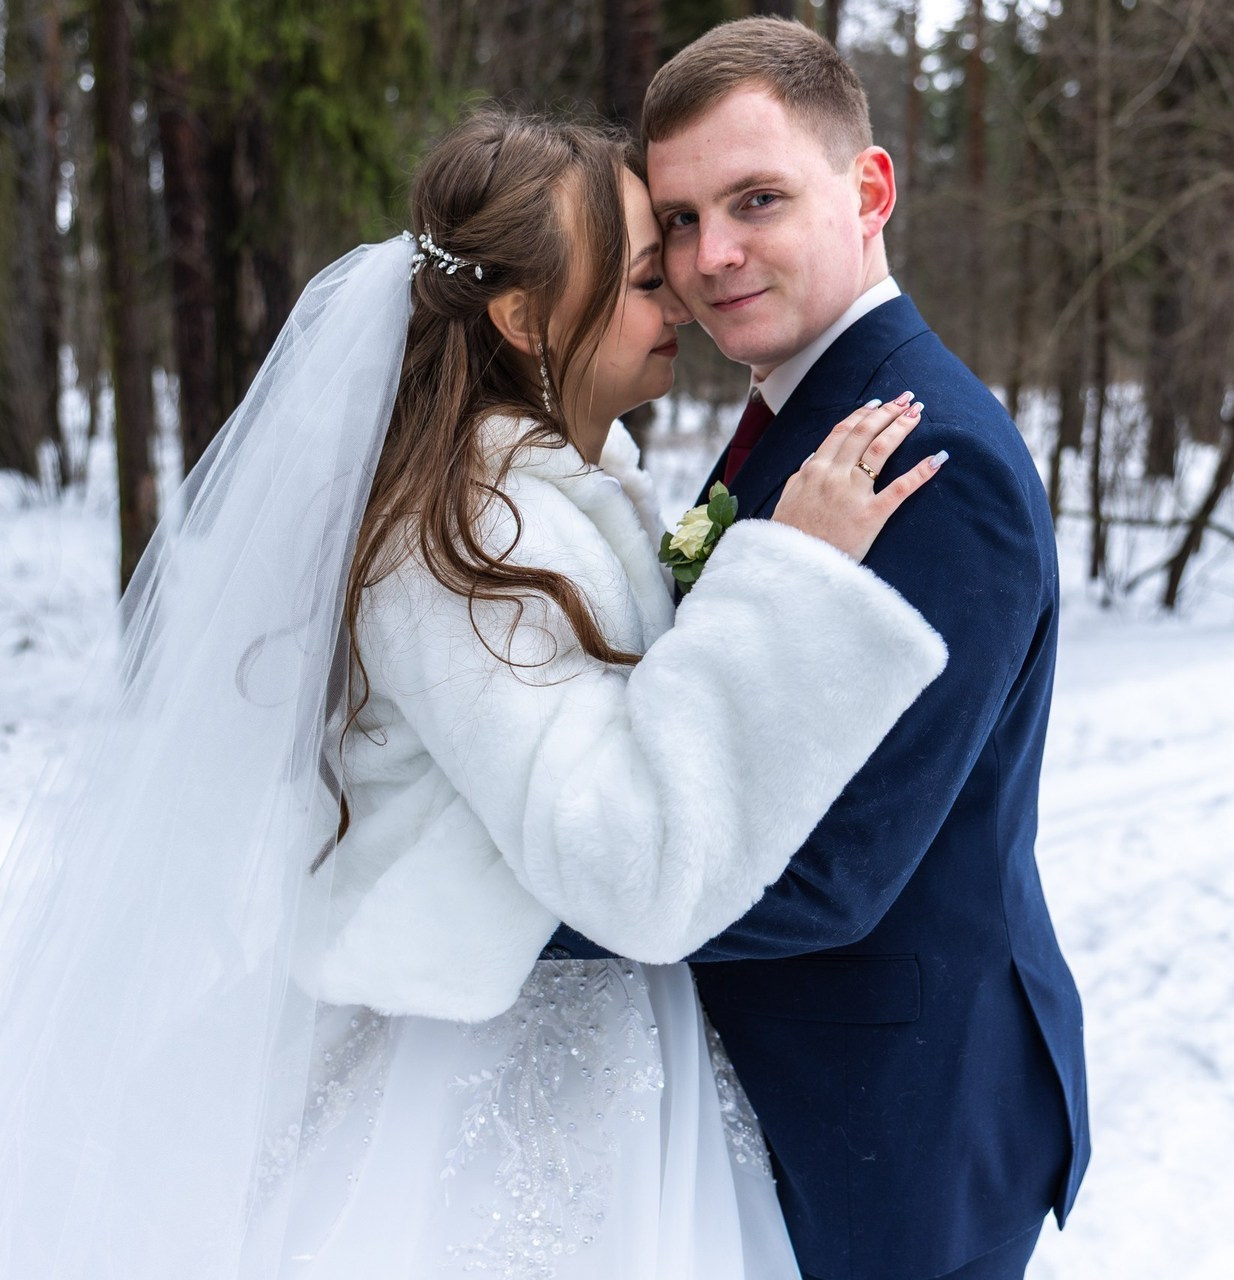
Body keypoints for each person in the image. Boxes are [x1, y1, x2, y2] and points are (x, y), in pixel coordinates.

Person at [0, 108, 947, 1278]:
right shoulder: (462, 545)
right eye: (647, 278)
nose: (684, 303)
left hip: (601, 1061)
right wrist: (787, 582)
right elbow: (630, 862)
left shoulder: (560, 498)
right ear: (520, 315)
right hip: (482, 1104)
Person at [548, 18, 1090, 1280]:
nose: (709, 256)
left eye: (755, 200)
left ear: (869, 189)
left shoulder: (920, 459)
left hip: (885, 1121)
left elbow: (832, 874)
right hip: (804, 1097)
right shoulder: (803, 411)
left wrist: (492, 909)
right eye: (678, 220)